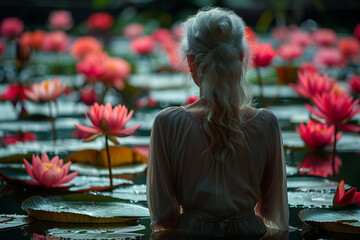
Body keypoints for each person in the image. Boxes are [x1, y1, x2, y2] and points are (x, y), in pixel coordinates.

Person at [146, 6, 289, 238]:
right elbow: (273, 214)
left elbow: (163, 216)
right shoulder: (267, 123)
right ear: (241, 59)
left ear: (191, 61)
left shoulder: (167, 123)